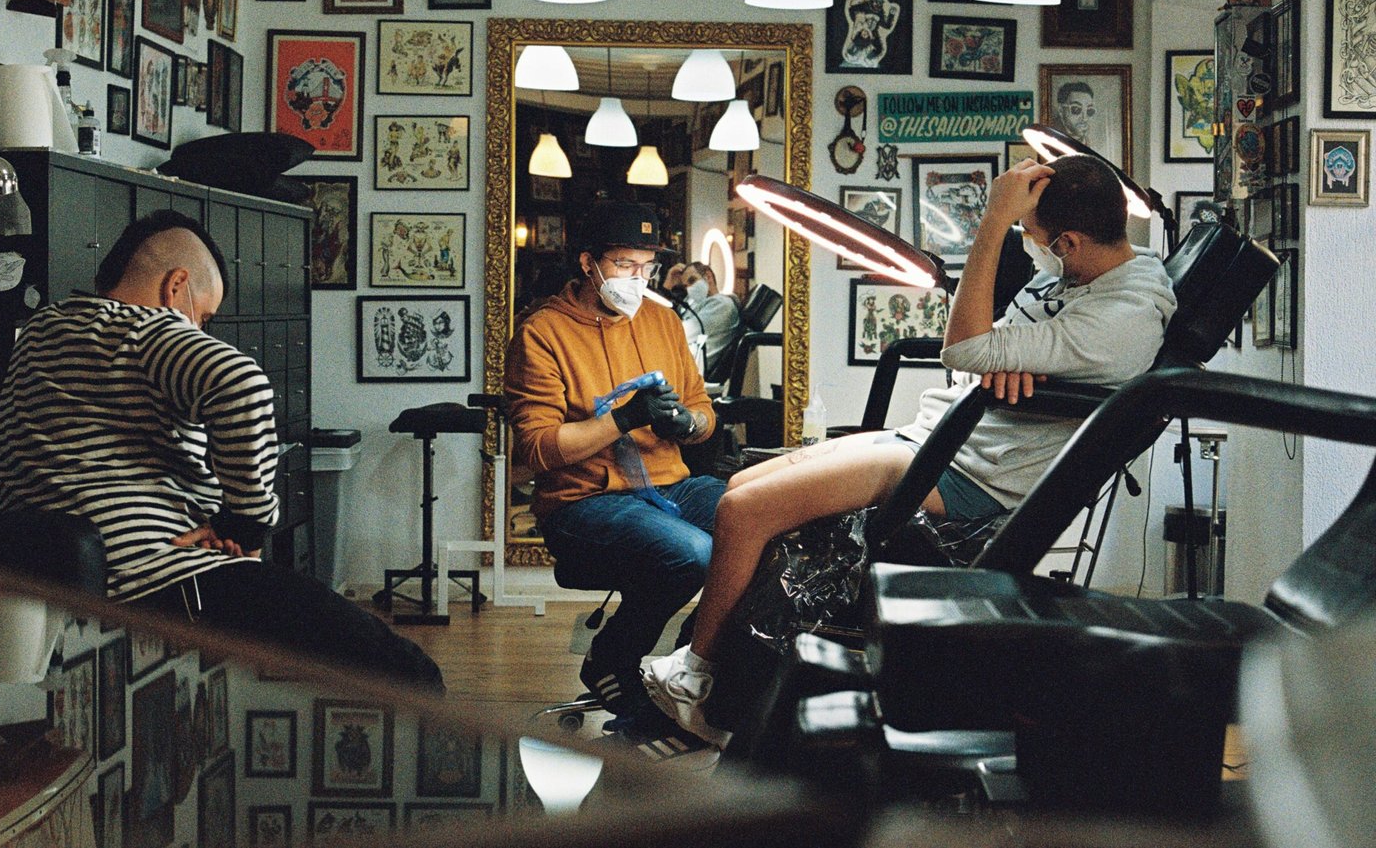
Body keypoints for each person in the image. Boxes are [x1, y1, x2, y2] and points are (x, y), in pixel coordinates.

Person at [642, 155, 1177, 747]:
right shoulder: (1088, 274)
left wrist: (992, 224)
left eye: (1032, 237)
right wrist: (1003, 357)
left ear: (1069, 242)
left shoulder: (1119, 320)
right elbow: (986, 349)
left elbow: (965, 347)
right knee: (741, 488)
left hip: (968, 472)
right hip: (943, 436)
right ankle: (730, 671)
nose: (1030, 248)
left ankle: (701, 679)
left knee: (741, 513)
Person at [0, 211, 441, 691]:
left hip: (74, 595)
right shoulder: (142, 328)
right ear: (176, 286)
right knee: (411, 674)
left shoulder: (42, 331)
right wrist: (244, 520)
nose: (202, 331)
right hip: (167, 579)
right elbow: (241, 382)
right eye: (204, 317)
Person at [504, 202, 726, 760]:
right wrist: (621, 419)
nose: (638, 281)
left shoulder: (662, 319)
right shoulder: (543, 333)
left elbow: (702, 411)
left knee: (758, 523)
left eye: (647, 268)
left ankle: (685, 669)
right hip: (586, 502)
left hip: (669, 487)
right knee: (692, 553)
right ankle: (614, 659)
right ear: (589, 263)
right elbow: (533, 450)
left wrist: (687, 423)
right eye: (624, 265)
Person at [667, 262, 743, 384]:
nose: (690, 289)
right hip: (679, 363)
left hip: (691, 371)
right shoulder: (695, 304)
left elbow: (678, 335)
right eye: (686, 286)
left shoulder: (721, 305)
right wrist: (669, 285)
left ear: (708, 276)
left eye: (693, 281)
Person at [1054, 81, 1100, 150]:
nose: (1085, 118)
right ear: (1061, 110)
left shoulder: (1092, 145)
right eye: (1076, 109)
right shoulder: (1053, 140)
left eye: (1089, 111)